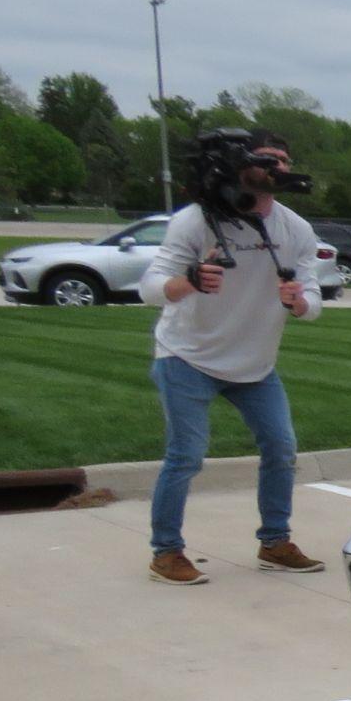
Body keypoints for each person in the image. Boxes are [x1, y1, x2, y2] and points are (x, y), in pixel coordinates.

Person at [138, 130, 326, 586]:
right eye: (268, 159)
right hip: (187, 357)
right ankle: (166, 552)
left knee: (281, 449)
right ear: (241, 164)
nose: (278, 168)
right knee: (186, 455)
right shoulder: (196, 221)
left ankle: (275, 541)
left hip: (255, 366)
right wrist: (189, 282)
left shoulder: (293, 228)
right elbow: (149, 288)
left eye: (284, 159)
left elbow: (314, 294)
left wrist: (299, 301)